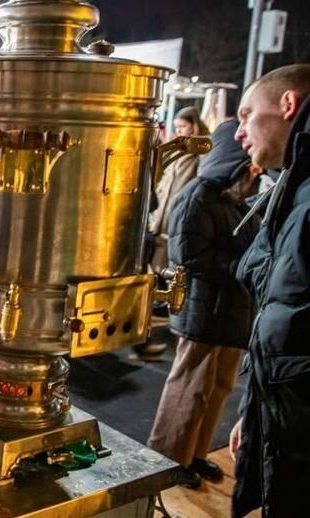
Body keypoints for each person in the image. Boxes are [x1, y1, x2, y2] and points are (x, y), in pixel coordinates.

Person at [146, 120, 262, 490]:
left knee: (219, 387)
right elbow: (189, 255)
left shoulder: (235, 200)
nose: (255, 172)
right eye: (248, 165)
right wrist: (241, 266)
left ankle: (194, 454)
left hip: (231, 311)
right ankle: (168, 458)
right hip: (203, 308)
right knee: (189, 387)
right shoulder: (197, 196)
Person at [230, 64, 310, 518]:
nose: (240, 133)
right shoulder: (294, 189)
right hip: (286, 425)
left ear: (287, 104)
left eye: (247, 115)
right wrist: (257, 413)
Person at [149, 106, 211, 275]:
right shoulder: (177, 150)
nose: (178, 131)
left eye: (182, 127)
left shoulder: (201, 152)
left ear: (194, 126)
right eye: (176, 127)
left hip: (178, 214)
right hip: (163, 214)